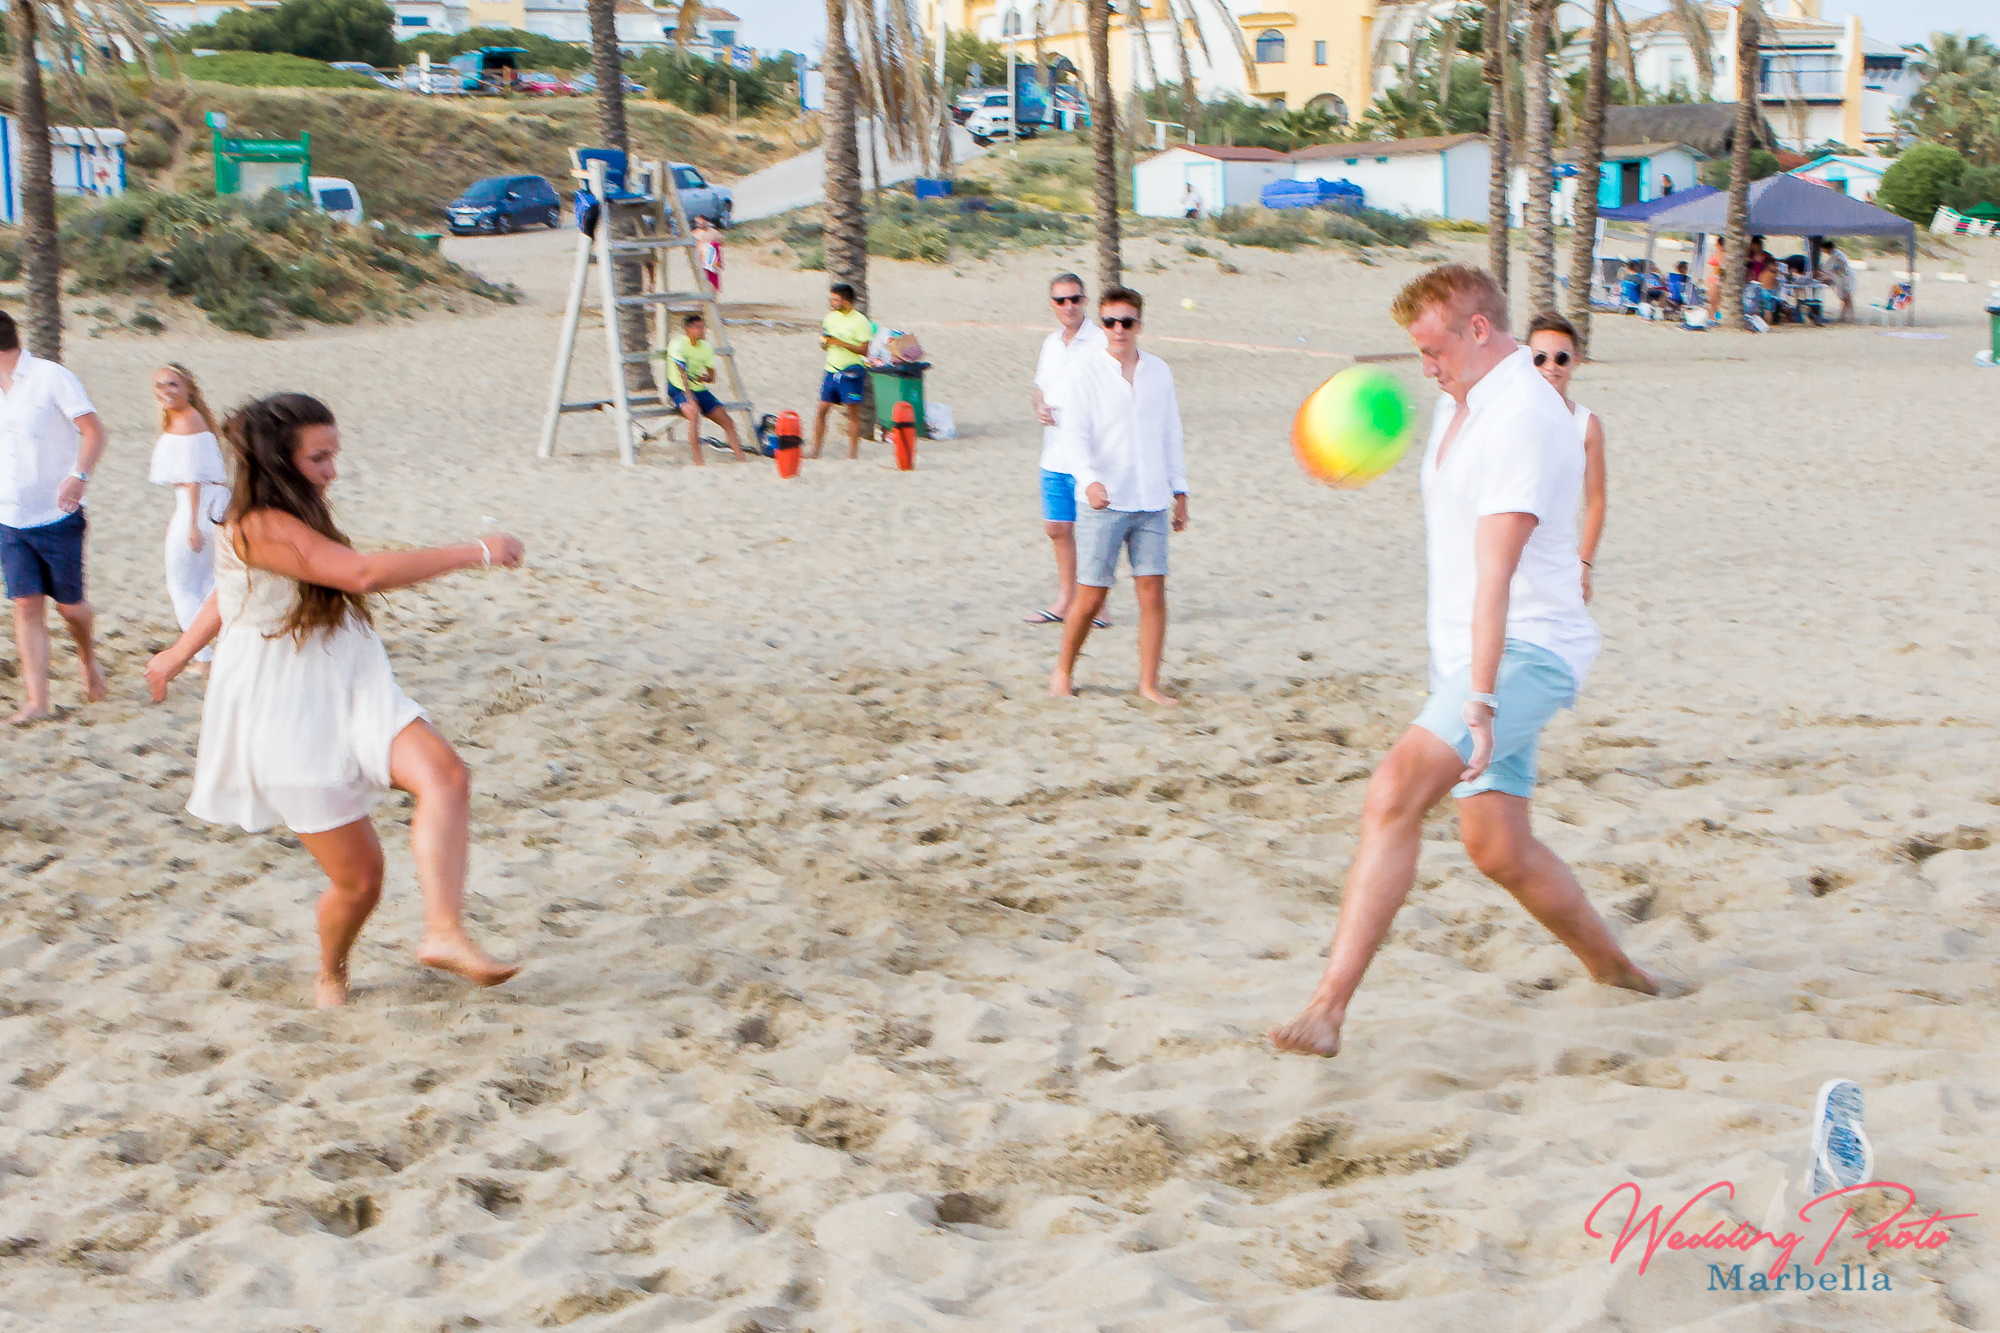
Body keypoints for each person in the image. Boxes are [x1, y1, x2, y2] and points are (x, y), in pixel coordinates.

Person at [1270, 266, 1653, 1059]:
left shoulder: (1525, 416)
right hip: (1470, 655)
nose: (1425, 368)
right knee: (1497, 848)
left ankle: (1327, 1009)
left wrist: (1478, 696)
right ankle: (1619, 973)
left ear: (1479, 329)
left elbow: (1496, 571)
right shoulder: (1461, 399)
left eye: (1433, 349)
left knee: (1393, 789)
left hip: (1524, 650)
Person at [144, 393, 523, 1008]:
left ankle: (443, 933)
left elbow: (230, 593)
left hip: (350, 675)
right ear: (279, 461)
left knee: (447, 777)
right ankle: (331, 972)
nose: (332, 471)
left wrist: (179, 652)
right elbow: (360, 574)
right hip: (285, 704)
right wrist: (476, 551)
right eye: (319, 458)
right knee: (360, 881)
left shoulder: (293, 512)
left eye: (333, 455)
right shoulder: (258, 523)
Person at [1048, 286, 1188, 706]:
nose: (1118, 330)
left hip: (1151, 499)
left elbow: (1170, 432)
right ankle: (1063, 670)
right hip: (1104, 501)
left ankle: (1149, 684)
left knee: (1153, 592)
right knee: (1091, 595)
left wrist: (1180, 490)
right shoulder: (1086, 371)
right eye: (1110, 322)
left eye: (1126, 322)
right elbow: (1074, 434)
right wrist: (1089, 480)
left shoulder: (1158, 371)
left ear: (1139, 324)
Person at [0, 310, 109, 724]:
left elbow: (94, 431)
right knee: (25, 604)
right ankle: (37, 702)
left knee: (70, 608)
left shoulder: (51, 377)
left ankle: (87, 657)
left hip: (57, 515)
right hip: (9, 517)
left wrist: (78, 476)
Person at [1025, 272, 1109, 627]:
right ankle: (1065, 600)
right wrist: (1039, 406)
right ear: (1052, 304)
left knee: (1093, 530)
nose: (1068, 306)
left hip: (1090, 452)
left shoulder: (1101, 340)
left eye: (1075, 299)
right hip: (1054, 451)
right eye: (1061, 300)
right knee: (1057, 527)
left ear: (1085, 301)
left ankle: (1098, 606)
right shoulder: (1051, 343)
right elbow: (1040, 388)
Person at [149, 363, 229, 668]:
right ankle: (217, 650)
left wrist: (193, 525)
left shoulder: (187, 421)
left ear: (188, 388)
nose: (165, 391)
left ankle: (202, 656)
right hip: (211, 504)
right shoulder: (188, 418)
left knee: (181, 585)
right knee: (209, 581)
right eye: (159, 385)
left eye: (173, 384)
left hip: (198, 506)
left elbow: (193, 476)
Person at [1525, 312, 1606, 604]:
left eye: (1561, 358)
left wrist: (1584, 563)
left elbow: (1596, 500)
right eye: (1540, 359)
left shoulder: (1586, 425)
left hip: (1560, 560)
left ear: (1576, 360)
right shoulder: (1510, 417)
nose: (1551, 367)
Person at [665, 313, 744, 464]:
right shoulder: (678, 344)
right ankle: (698, 459)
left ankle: (741, 457)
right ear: (687, 329)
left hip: (699, 388)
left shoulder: (706, 348)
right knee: (694, 414)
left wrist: (704, 378)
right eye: (697, 327)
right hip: (679, 388)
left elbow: (711, 377)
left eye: (702, 327)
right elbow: (682, 374)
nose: (701, 331)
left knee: (728, 422)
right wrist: (689, 399)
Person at [813, 283, 874, 460]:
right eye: (831, 298)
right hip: (831, 369)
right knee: (822, 410)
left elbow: (864, 350)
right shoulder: (830, 318)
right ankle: (815, 450)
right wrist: (825, 343)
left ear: (846, 301)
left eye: (835, 299)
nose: (831, 302)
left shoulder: (860, 321)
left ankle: (852, 453)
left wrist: (840, 343)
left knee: (853, 413)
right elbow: (824, 341)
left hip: (851, 371)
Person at [1818, 239, 1855, 322]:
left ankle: (1850, 317)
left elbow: (1839, 267)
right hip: (1842, 278)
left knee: (1847, 298)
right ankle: (1844, 316)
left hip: (1845, 278)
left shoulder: (1837, 255)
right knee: (1844, 299)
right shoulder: (1834, 255)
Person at [694, 215, 723, 296]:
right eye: (697, 222)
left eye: (701, 221)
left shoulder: (715, 233)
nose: (699, 224)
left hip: (712, 258)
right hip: (701, 257)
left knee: (713, 278)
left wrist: (720, 260)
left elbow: (720, 246)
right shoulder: (696, 233)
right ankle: (704, 295)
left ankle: (714, 296)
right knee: (703, 278)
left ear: (706, 221)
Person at [1704, 236, 1725, 311]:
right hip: (1714, 279)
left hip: (1715, 280)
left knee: (1713, 301)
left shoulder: (1719, 255)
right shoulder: (1720, 255)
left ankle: (1712, 314)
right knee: (1714, 302)